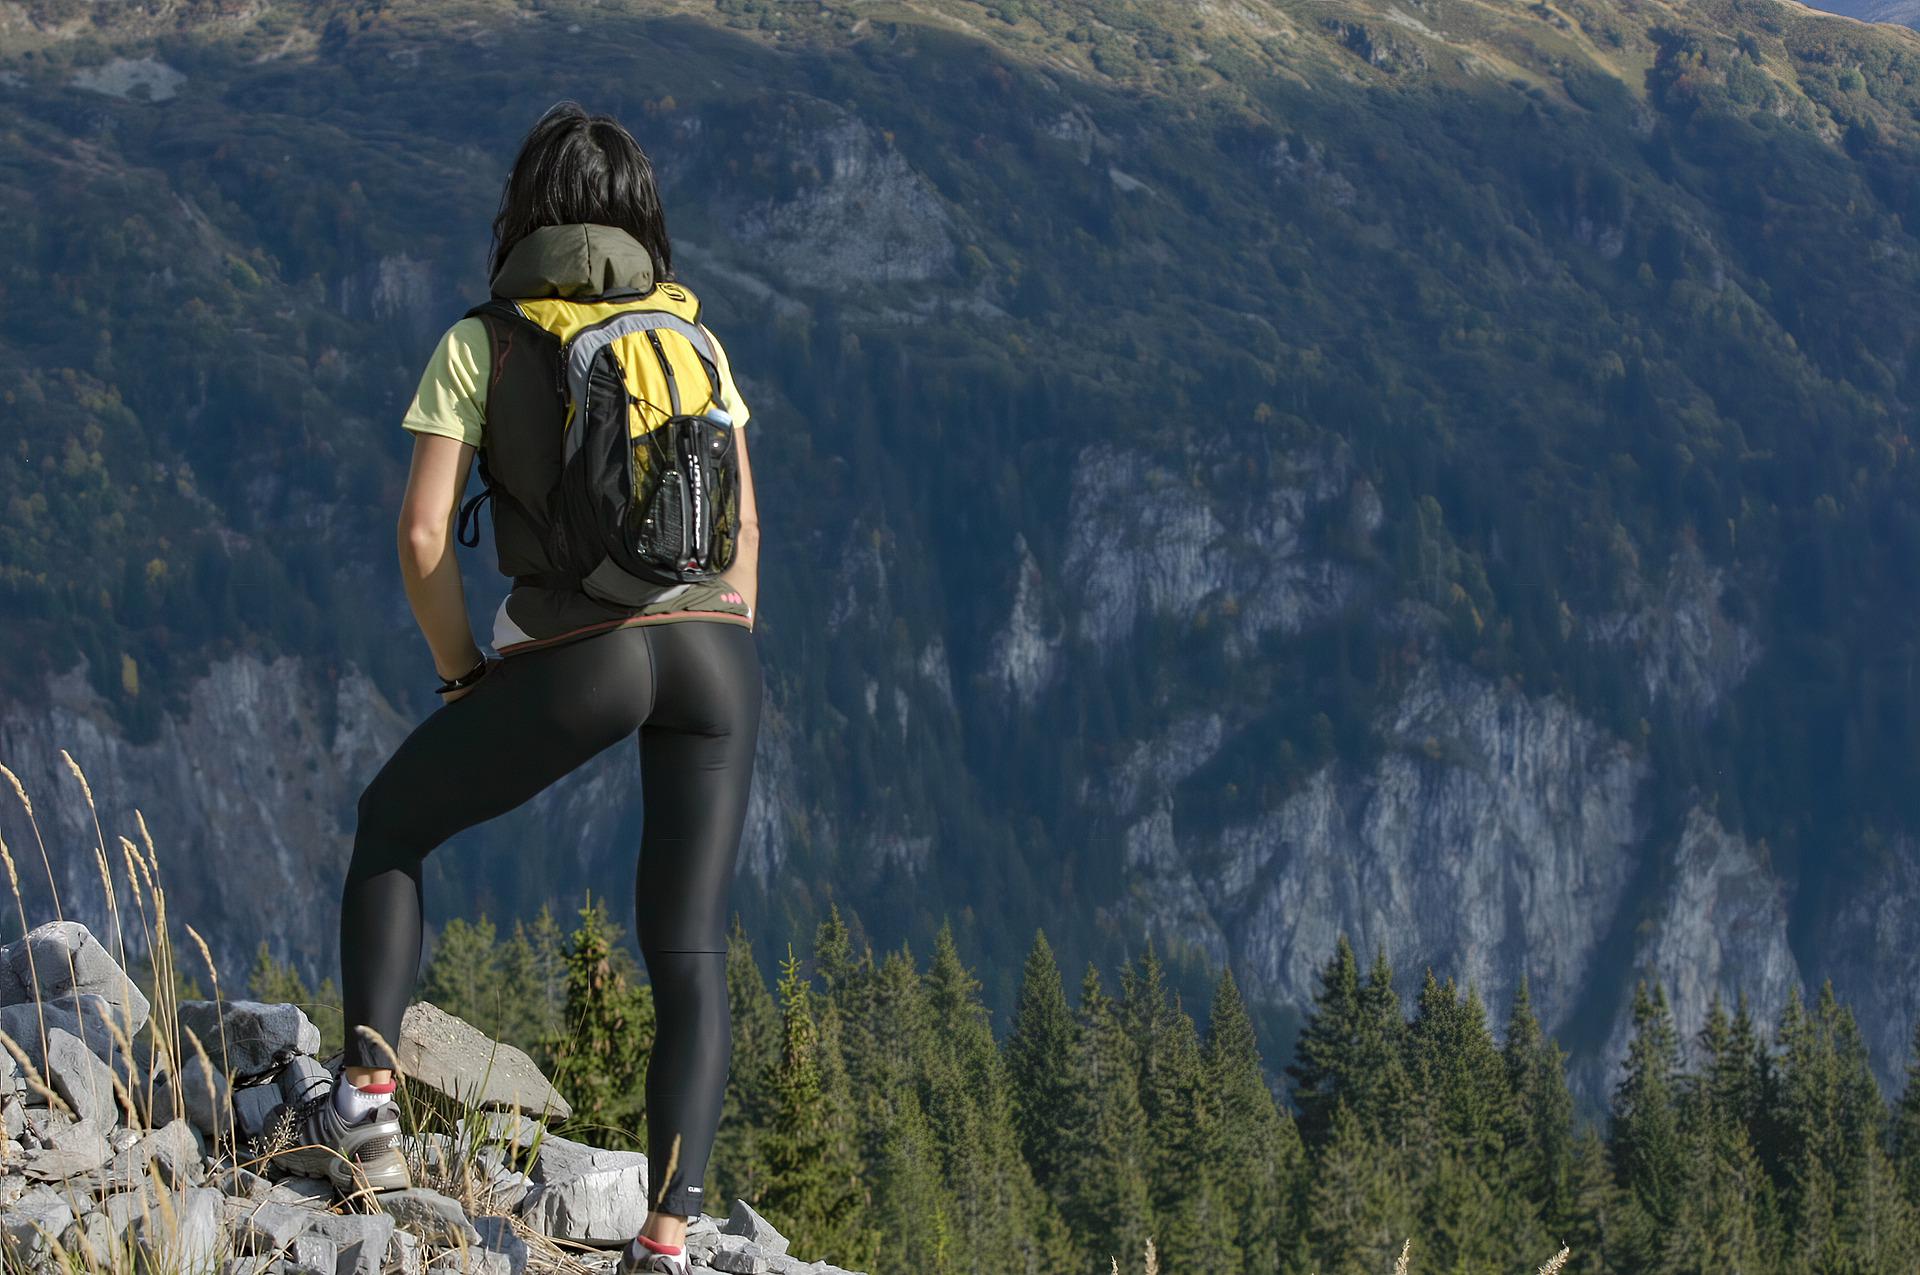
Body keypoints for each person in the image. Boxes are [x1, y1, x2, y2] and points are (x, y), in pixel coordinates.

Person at [263, 102, 762, 1275]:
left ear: (523, 213)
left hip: (579, 660)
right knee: (688, 950)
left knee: (391, 824)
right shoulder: (691, 335)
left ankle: (368, 1107)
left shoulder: (482, 340)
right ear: (642, 215)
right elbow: (743, 527)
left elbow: (425, 533)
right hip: (717, 656)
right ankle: (667, 1240)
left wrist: (460, 673)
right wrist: (721, 628)